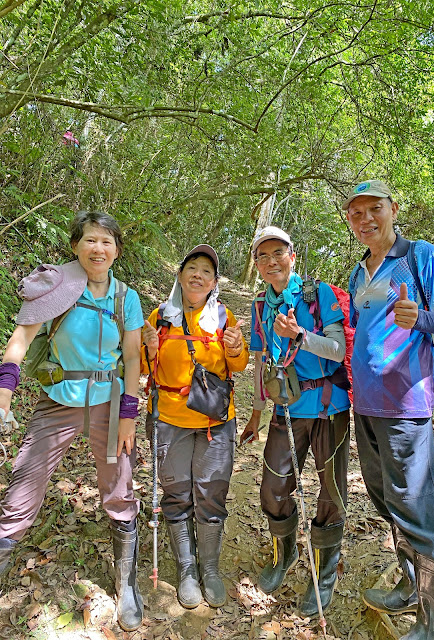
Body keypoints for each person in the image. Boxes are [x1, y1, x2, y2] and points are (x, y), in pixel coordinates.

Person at [0, 211, 144, 632]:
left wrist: (129, 417)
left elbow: (133, 358)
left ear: (117, 250)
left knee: (119, 487)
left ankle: (126, 584)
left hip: (110, 401)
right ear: (76, 246)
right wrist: (4, 393)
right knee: (25, 480)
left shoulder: (126, 298)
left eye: (106, 241)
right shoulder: (56, 287)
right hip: (58, 399)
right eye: (90, 240)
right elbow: (20, 341)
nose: (98, 249)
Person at [344, 180, 434, 639]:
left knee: (418, 508)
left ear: (393, 209)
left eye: (375, 209)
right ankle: (411, 584)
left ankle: (432, 623)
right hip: (366, 405)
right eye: (357, 214)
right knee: (387, 499)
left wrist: (423, 319)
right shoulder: (360, 272)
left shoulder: (421, 256)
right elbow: (361, 330)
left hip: (407, 404)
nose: (367, 219)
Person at [240, 226, 350, 617]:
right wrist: (256, 412)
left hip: (327, 409)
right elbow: (258, 361)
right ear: (256, 264)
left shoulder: (318, 295)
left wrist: (301, 334)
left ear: (293, 255)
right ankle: (283, 556)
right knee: (273, 489)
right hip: (285, 410)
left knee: (331, 493)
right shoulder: (259, 307)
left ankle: (323, 577)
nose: (271, 262)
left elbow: (337, 351)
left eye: (278, 253)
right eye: (262, 256)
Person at [142, 245, 248, 609]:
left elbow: (239, 366)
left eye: (206, 271)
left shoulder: (223, 316)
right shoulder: (160, 316)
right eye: (192, 267)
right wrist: (150, 350)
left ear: (214, 282)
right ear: (180, 274)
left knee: (212, 492)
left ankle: (211, 568)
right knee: (176, 493)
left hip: (214, 421)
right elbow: (144, 368)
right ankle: (187, 569)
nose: (198, 274)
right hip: (169, 418)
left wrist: (234, 348)